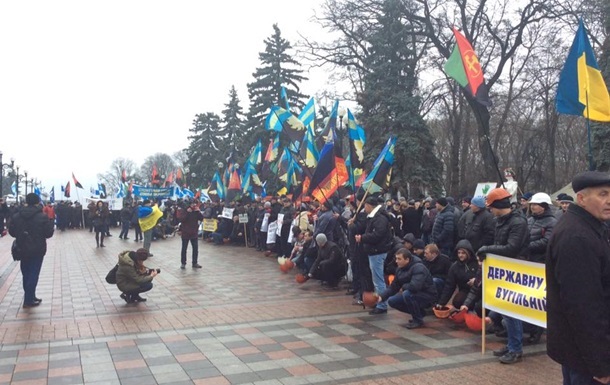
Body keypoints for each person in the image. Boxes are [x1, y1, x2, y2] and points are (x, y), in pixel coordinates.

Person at [546, 171, 610, 385]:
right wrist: (600, 364)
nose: (609, 200)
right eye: (602, 194)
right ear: (581, 199)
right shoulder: (577, 237)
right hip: (587, 358)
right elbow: (583, 306)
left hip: (579, 351)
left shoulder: (587, 227)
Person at [477, 187, 529, 365]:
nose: (490, 210)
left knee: (512, 311)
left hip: (515, 269)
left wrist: (486, 249)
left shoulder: (518, 223)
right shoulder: (501, 220)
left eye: (491, 207)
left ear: (498, 205)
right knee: (507, 310)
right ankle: (512, 344)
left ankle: (515, 349)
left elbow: (511, 248)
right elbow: (499, 244)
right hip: (504, 269)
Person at [8, 193, 55, 307]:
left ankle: (30, 295)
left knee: (26, 273)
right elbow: (48, 233)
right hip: (37, 249)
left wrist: (20, 235)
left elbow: (12, 231)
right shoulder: (42, 216)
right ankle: (28, 299)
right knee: (34, 273)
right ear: (37, 202)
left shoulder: (17, 216)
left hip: (22, 247)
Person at [378, 248, 437, 329]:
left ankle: (418, 320)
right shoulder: (399, 269)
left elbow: (415, 287)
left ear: (407, 260)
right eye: (396, 258)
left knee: (407, 294)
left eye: (399, 259)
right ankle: (419, 313)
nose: (396, 261)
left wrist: (403, 287)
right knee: (392, 301)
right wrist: (381, 297)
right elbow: (394, 286)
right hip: (414, 293)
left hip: (427, 295)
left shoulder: (419, 267)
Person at [355, 196, 394, 315]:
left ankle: (382, 305)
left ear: (369, 205)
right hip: (374, 251)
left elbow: (378, 234)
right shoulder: (375, 217)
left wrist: (363, 238)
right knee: (376, 279)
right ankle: (379, 302)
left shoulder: (379, 218)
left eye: (365, 205)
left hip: (378, 251)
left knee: (378, 280)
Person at [436, 239, 478, 309]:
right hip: (464, 290)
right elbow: (449, 285)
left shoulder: (477, 263)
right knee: (457, 301)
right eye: (459, 253)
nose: (460, 255)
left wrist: (476, 280)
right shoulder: (454, 267)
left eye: (463, 253)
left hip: (479, 290)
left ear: (469, 253)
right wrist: (441, 302)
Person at [177, 200, 203, 269]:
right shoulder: (184, 210)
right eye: (192, 204)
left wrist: (199, 212)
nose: (194, 205)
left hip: (194, 232)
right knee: (184, 248)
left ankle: (195, 263)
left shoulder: (196, 211)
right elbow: (181, 219)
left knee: (195, 248)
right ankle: (183, 263)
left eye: (195, 204)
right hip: (185, 232)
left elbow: (201, 218)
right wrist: (187, 213)